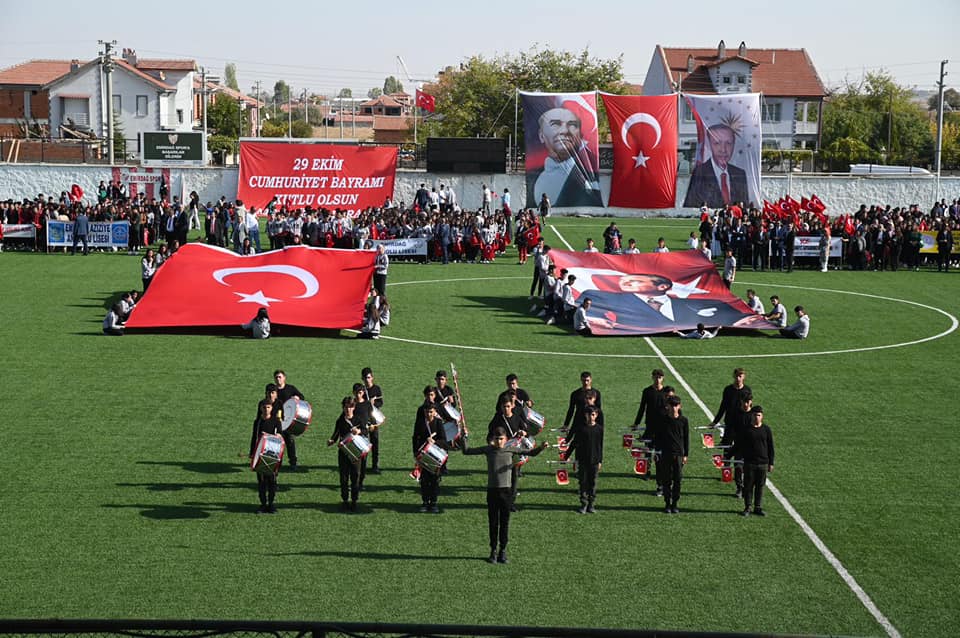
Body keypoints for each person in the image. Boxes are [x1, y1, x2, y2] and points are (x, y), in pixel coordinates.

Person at [462, 426, 548, 564]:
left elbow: (531, 453)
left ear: (506, 439)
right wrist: (464, 436)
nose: (499, 441)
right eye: (496, 439)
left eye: (501, 439)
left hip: (506, 492)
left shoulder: (511, 449)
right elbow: (466, 451)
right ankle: (493, 551)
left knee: (504, 523)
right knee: (493, 522)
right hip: (492, 491)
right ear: (493, 439)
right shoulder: (488, 449)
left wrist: (542, 447)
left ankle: (502, 551)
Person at [579, 273, 756, 334]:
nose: (627, 283)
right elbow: (586, 307)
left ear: (662, 286)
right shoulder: (602, 297)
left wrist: (744, 319)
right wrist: (592, 319)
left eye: (635, 281)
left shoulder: (705, 304)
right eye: (625, 282)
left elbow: (738, 316)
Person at [528, 107, 602, 208]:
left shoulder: (591, 169)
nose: (564, 130)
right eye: (555, 124)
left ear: (580, 135)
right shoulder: (533, 175)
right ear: (541, 136)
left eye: (572, 125)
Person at [682, 123, 750, 208]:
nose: (723, 149)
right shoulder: (700, 173)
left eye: (728, 143)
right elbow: (691, 206)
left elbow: (745, 205)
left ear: (734, 144)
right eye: (717, 143)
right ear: (709, 145)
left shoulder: (740, 173)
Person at [711, 368, 752, 498]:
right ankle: (726, 473)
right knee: (727, 451)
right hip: (730, 426)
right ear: (734, 376)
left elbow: (749, 408)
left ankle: (739, 486)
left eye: (740, 376)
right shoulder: (728, 390)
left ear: (744, 377)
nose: (738, 378)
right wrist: (715, 422)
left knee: (739, 459)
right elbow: (723, 406)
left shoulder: (747, 390)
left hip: (741, 428)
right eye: (737, 376)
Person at [560, 405, 604, 513]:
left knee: (593, 483)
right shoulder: (581, 429)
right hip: (582, 460)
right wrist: (566, 456)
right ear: (585, 415)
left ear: (596, 415)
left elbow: (600, 446)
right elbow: (574, 443)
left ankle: (591, 504)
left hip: (594, 460)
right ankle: (584, 504)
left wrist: (600, 460)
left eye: (593, 415)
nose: (591, 417)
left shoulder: (599, 429)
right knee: (583, 482)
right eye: (589, 415)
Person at [327, 396, 367, 512]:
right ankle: (345, 500)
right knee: (343, 478)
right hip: (343, 453)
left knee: (355, 477)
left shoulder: (358, 419)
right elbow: (336, 433)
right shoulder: (340, 420)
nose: (348, 409)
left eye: (350, 407)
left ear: (354, 407)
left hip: (355, 452)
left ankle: (354, 501)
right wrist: (332, 440)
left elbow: (365, 431)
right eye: (346, 407)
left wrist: (359, 431)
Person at [412, 402, 448, 513]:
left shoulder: (438, 423)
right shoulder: (420, 423)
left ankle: (433, 503)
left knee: (434, 480)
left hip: (435, 456)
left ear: (435, 412)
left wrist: (434, 442)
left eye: (431, 412)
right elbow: (415, 438)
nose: (429, 414)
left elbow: (444, 440)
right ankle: (425, 502)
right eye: (427, 412)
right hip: (423, 455)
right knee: (424, 480)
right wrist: (416, 453)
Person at [739, 405, 774, 517]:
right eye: (755, 415)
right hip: (750, 463)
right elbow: (739, 445)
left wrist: (771, 463)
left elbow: (770, 447)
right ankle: (748, 507)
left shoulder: (766, 429)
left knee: (760, 486)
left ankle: (757, 507)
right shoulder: (746, 430)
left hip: (763, 463)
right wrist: (729, 456)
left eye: (758, 415)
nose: (756, 417)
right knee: (748, 486)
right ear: (751, 416)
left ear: (762, 416)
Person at [656, 395, 689, 514]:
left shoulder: (683, 421)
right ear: (667, 406)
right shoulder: (663, 420)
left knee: (677, 480)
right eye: (672, 405)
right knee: (666, 480)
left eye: (676, 405)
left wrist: (686, 454)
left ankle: (675, 503)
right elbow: (658, 437)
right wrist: (657, 451)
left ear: (679, 406)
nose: (674, 408)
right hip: (666, 454)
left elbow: (686, 438)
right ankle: (667, 503)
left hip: (678, 454)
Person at [249, 399, 282, 514]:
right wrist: (252, 453)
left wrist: (267, 436)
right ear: (260, 408)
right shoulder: (258, 422)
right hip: (260, 455)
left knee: (272, 481)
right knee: (262, 482)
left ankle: (271, 504)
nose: (266, 409)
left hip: (273, 454)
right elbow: (254, 437)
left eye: (268, 407)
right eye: (264, 407)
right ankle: (263, 504)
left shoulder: (276, 421)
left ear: (271, 408)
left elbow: (279, 437)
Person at [273, 370, 305, 470]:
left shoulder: (290, 388)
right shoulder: (273, 390)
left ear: (284, 378)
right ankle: (277, 463)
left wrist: (297, 397)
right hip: (277, 420)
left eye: (280, 377)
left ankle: (293, 463)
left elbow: (302, 397)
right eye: (276, 377)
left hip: (288, 420)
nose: (278, 379)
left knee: (290, 442)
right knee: (277, 443)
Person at [563, 371, 602, 437]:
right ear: (581, 380)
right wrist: (566, 424)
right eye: (584, 380)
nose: (586, 383)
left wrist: (599, 424)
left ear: (591, 380)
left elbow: (598, 409)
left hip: (591, 422)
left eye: (587, 380)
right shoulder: (575, 394)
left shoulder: (597, 393)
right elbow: (571, 410)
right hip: (578, 420)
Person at [361, 367, 384, 474]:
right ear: (362, 379)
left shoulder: (377, 389)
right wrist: (368, 403)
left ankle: (375, 466)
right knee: (364, 444)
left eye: (369, 377)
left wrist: (374, 404)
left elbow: (381, 403)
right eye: (365, 378)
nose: (367, 380)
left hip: (374, 420)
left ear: (372, 377)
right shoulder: (361, 390)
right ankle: (363, 465)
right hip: (364, 420)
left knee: (375, 443)